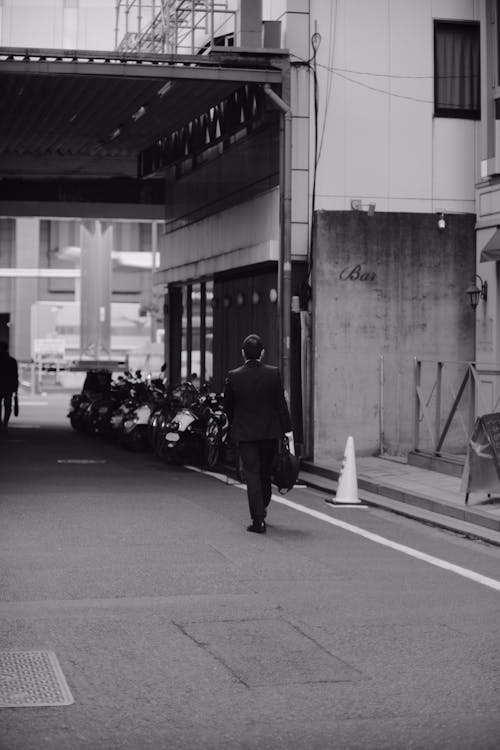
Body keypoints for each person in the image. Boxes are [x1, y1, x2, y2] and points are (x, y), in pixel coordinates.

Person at [223, 334, 292, 534]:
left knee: (252, 472)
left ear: (243, 353)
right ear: (262, 353)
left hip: (245, 433)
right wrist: (288, 431)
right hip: (270, 433)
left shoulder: (234, 375)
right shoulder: (273, 374)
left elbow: (228, 407)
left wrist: (232, 425)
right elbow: (281, 405)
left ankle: (258, 519)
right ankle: (264, 504)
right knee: (264, 471)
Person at [0, 341, 19, 433]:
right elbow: (15, 376)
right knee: (8, 407)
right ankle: (5, 424)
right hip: (8, 387)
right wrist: (16, 389)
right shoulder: (12, 361)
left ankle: (2, 425)